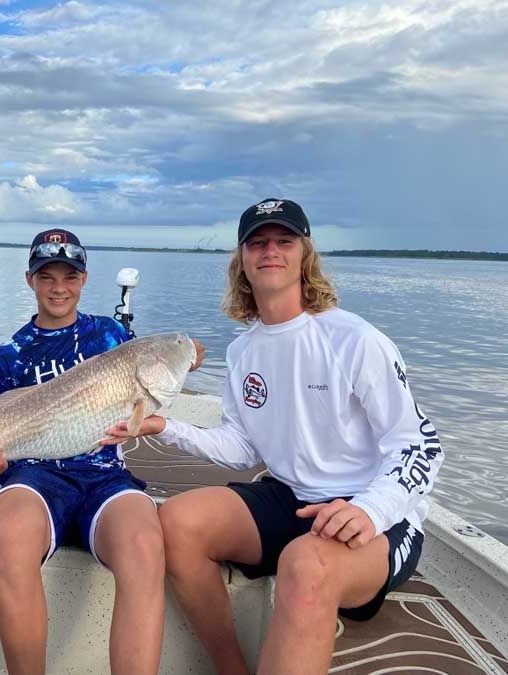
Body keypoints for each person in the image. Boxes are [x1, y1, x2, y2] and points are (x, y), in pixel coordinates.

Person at [101, 198, 444, 675]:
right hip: (292, 497)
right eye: (257, 242)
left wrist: (369, 509)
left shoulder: (354, 340)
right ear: (241, 259)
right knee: (176, 523)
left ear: (305, 254)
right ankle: (231, 667)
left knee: (305, 566)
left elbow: (421, 444)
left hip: (375, 515)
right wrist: (166, 427)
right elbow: (241, 445)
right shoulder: (244, 350)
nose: (270, 251)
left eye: (284, 240)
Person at [0, 229, 202, 675]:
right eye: (47, 276)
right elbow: (2, 433)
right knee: (12, 532)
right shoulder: (9, 354)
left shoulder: (112, 335)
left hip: (103, 475)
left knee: (145, 543)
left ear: (84, 278)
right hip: (34, 475)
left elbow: (183, 354)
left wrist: (188, 353)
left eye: (70, 276)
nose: (59, 287)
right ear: (29, 280)